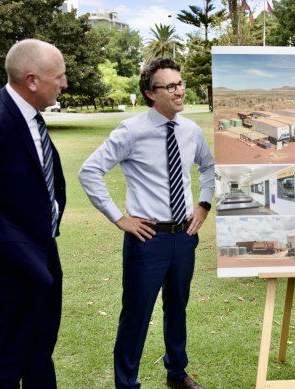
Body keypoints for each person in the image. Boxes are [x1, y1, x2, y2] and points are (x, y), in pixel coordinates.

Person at [78, 57, 214, 389]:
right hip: (147, 239)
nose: (179, 90)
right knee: (136, 316)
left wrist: (204, 204)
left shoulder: (191, 131)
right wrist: (119, 217)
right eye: (170, 86)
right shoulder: (132, 131)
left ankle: (177, 373)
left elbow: (209, 168)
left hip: (183, 237)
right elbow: (89, 172)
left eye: (180, 83)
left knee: (177, 309)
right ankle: (127, 384)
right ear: (150, 93)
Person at [0, 39, 67, 388]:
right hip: (10, 263)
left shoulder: (31, 114)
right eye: (60, 76)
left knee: (40, 351)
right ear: (32, 79)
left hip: (44, 253)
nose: (65, 83)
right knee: (7, 361)